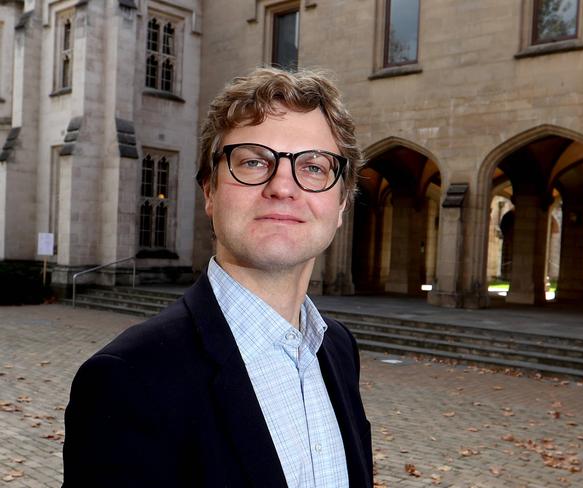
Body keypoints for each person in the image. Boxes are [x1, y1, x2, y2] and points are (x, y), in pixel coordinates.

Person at [62, 67, 373, 488]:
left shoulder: (337, 348)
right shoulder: (127, 378)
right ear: (210, 191)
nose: (283, 186)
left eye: (314, 167)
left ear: (341, 205)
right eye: (252, 161)